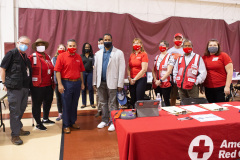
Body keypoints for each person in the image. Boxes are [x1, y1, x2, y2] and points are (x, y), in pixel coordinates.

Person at [0, 36, 32, 145]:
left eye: (27, 44)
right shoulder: (11, 54)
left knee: (22, 109)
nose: (25, 46)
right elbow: (2, 68)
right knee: (15, 111)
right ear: (18, 42)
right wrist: (4, 83)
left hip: (24, 87)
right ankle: (15, 135)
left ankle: (18, 128)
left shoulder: (25, 57)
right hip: (14, 88)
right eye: (23, 43)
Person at [93, 33, 125, 132]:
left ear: (112, 40)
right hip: (100, 82)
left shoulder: (119, 52)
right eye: (105, 40)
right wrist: (94, 82)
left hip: (113, 82)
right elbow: (95, 69)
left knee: (113, 104)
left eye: (108, 39)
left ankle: (113, 122)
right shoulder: (98, 54)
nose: (106, 41)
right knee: (102, 103)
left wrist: (120, 84)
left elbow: (122, 69)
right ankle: (104, 120)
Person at [55, 39, 85, 134]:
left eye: (74, 46)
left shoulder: (78, 57)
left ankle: (73, 122)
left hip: (76, 83)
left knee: (74, 103)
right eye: (70, 46)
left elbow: (81, 71)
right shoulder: (61, 56)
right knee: (66, 104)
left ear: (76, 46)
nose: (72, 47)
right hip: (66, 83)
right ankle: (66, 125)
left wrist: (82, 83)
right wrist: (59, 84)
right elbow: (57, 71)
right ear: (67, 46)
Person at [29, 39, 55, 131]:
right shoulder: (33, 57)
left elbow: (51, 68)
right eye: (39, 45)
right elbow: (26, 70)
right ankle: (38, 123)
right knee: (37, 104)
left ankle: (45, 118)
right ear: (36, 47)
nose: (41, 46)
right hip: (37, 86)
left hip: (48, 84)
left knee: (48, 102)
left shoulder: (47, 56)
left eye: (42, 45)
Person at [152, 40, 174, 106]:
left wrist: (160, 80)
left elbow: (169, 71)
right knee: (158, 101)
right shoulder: (157, 57)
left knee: (166, 100)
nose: (161, 47)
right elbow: (153, 70)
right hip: (157, 83)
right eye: (160, 45)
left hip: (165, 82)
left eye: (163, 45)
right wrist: (155, 80)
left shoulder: (170, 57)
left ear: (167, 47)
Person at [127, 38, 148, 107]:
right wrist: (129, 78)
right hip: (131, 79)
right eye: (134, 43)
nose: (136, 44)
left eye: (137, 43)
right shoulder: (131, 55)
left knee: (139, 99)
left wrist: (135, 79)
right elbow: (128, 67)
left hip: (141, 79)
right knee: (132, 99)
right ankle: (133, 113)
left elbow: (144, 69)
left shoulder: (144, 54)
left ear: (141, 45)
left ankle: (140, 115)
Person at [168, 33, 185, 105]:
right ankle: (172, 107)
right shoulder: (170, 51)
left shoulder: (185, 50)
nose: (178, 40)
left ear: (182, 40)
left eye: (179, 38)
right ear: (173, 40)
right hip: (173, 75)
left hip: (183, 75)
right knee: (173, 95)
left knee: (183, 94)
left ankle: (184, 107)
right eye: (176, 38)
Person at [52, 44, 66, 121]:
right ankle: (60, 113)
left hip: (65, 81)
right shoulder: (54, 58)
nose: (61, 50)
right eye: (60, 48)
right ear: (57, 49)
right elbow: (57, 67)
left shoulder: (67, 57)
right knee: (59, 99)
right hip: (57, 82)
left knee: (65, 98)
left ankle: (65, 113)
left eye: (63, 49)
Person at [81, 43, 95, 109]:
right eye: (86, 47)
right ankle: (84, 103)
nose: (87, 48)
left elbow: (94, 63)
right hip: (83, 73)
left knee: (90, 88)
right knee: (83, 88)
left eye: (88, 47)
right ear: (84, 48)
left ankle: (92, 103)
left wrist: (94, 66)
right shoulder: (81, 56)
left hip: (90, 72)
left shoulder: (92, 56)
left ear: (90, 48)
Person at [95, 38, 104, 117]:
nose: (101, 45)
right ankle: (99, 110)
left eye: (102, 43)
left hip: (107, 79)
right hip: (99, 79)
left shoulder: (110, 53)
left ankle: (106, 110)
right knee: (98, 95)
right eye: (99, 43)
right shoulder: (96, 54)